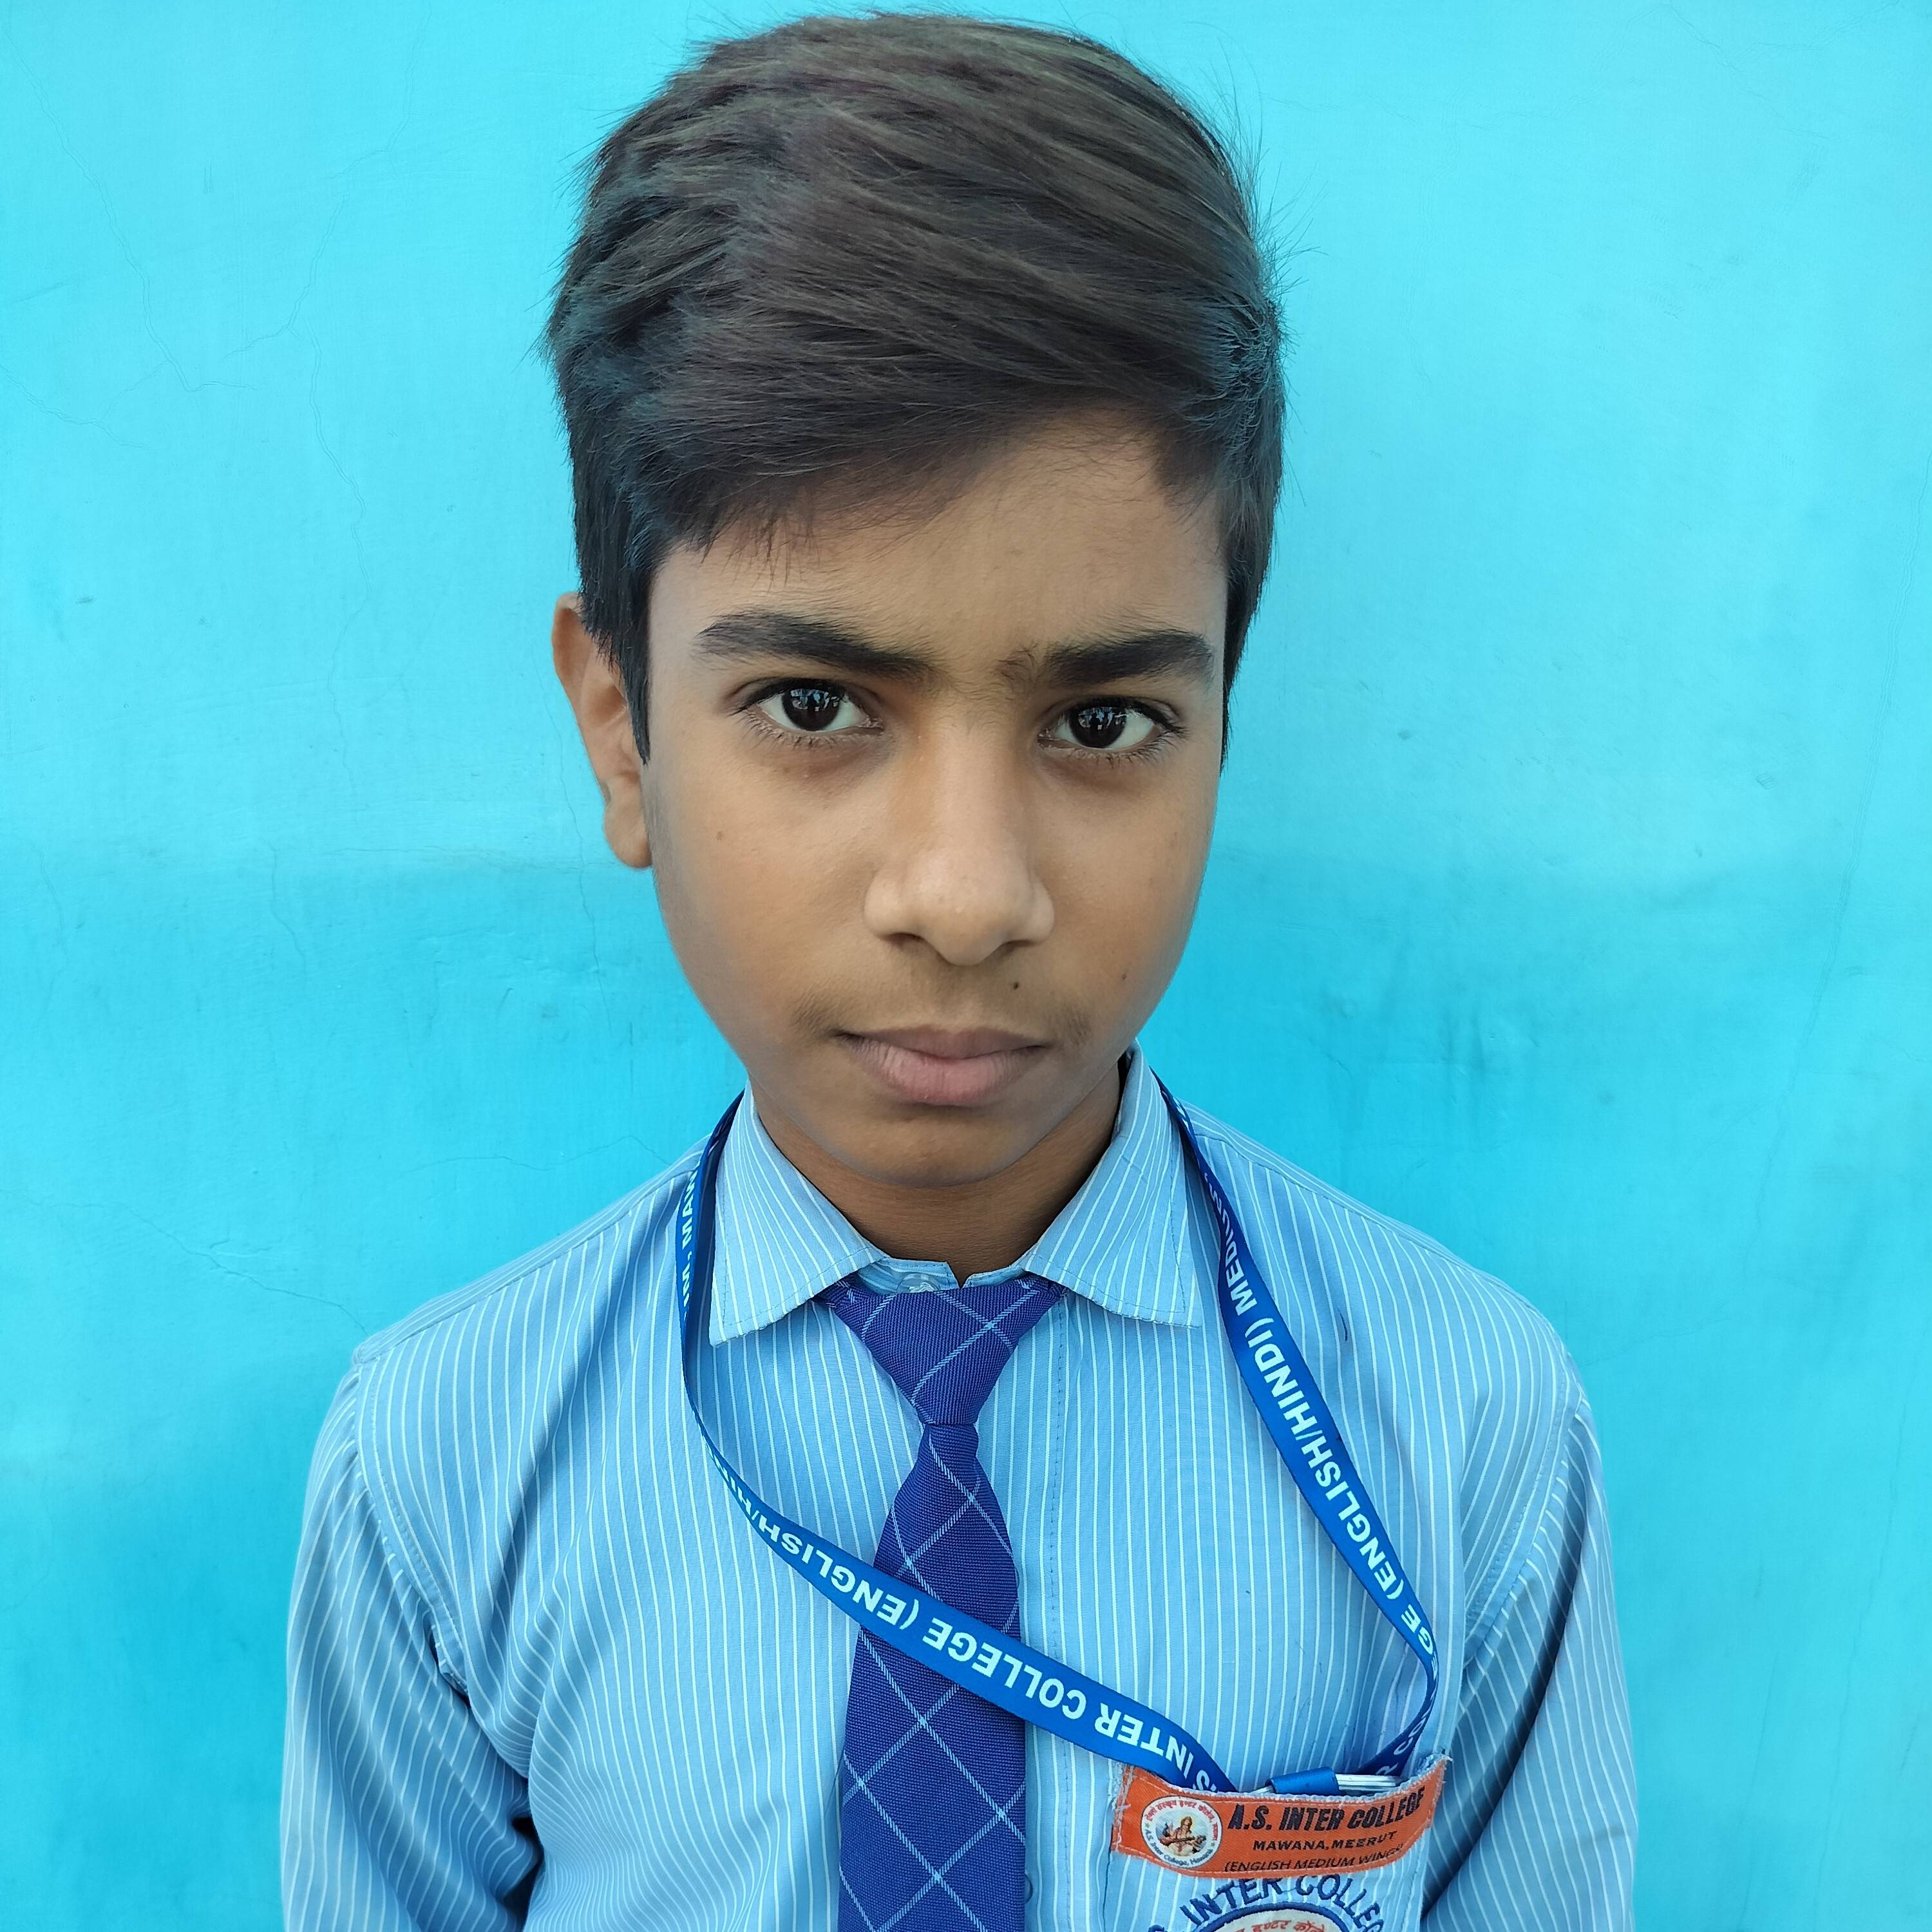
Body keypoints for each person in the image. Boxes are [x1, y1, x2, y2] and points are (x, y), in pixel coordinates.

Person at [280, 14, 1636, 1931]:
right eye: (814, 705)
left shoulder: (1463, 1429)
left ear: (1222, 726)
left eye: (1101, 723)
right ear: (621, 730)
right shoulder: (442, 1460)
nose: (968, 895)